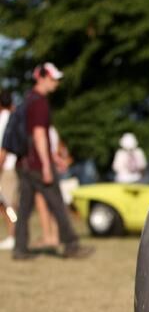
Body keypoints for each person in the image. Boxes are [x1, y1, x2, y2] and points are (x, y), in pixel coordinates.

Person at [12, 62, 93, 260]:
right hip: (38, 166)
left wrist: (54, 157)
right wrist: (48, 165)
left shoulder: (27, 101)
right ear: (41, 77)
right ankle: (71, 245)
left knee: (24, 209)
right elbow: (39, 135)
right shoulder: (39, 102)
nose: (56, 83)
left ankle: (20, 249)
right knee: (57, 204)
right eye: (53, 78)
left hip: (24, 164)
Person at [0, 90, 18, 250]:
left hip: (5, 168)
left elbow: (2, 149)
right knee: (6, 203)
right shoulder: (12, 117)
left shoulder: (4, 120)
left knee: (9, 204)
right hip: (9, 167)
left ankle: (13, 235)